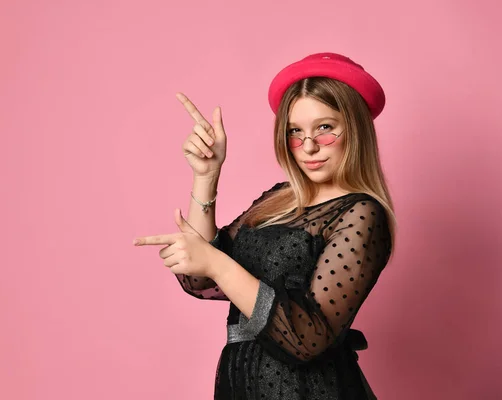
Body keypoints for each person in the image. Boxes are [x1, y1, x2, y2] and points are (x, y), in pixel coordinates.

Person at [133, 52, 396, 399]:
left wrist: (216, 263)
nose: (309, 146)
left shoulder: (362, 213)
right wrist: (206, 175)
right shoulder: (279, 199)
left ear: (356, 128)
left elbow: (305, 339)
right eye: (295, 132)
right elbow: (198, 278)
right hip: (241, 382)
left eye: (326, 128)